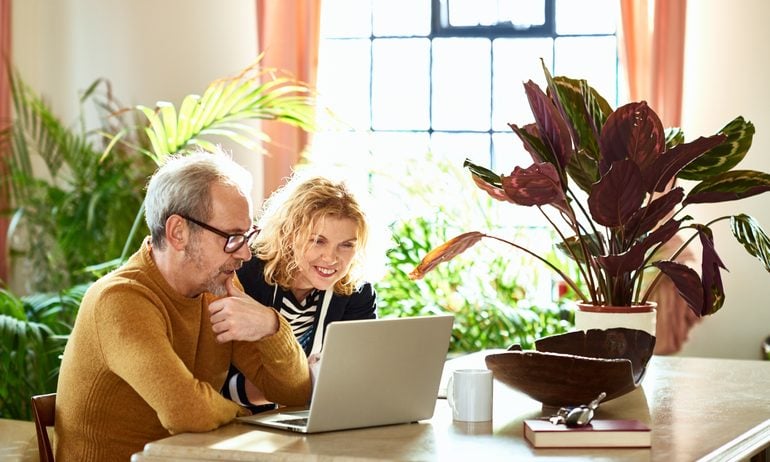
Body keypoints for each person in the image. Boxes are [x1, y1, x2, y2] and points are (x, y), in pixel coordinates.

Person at [54, 148, 311, 461]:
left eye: (247, 235)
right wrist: (242, 414)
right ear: (178, 232)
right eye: (232, 237)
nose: (245, 253)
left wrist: (271, 326)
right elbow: (187, 411)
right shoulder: (120, 299)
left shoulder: (219, 290)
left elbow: (295, 394)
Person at [221, 174, 377, 412]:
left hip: (313, 417)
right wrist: (304, 386)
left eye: (346, 245)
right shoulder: (245, 275)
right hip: (243, 421)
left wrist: (299, 386)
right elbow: (221, 383)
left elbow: (358, 375)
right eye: (318, 241)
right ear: (289, 234)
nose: (331, 258)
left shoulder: (357, 291)